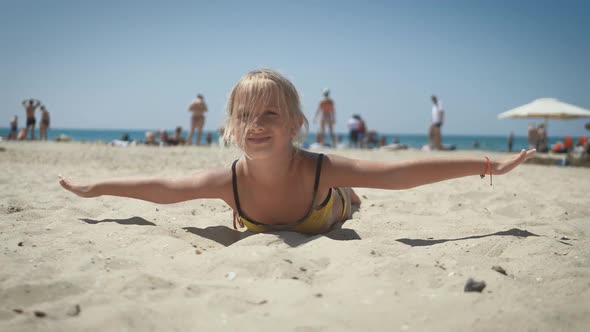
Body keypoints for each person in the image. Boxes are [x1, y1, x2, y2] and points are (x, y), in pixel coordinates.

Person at [59, 69, 536, 235]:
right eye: (245, 116)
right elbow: (163, 189)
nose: (256, 125)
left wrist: (489, 163)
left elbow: (399, 173)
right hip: (288, 208)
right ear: (229, 127)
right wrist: (96, 187)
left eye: (270, 115)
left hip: (328, 201)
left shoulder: (318, 167)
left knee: (354, 196)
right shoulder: (229, 181)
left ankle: (349, 196)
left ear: (295, 125)